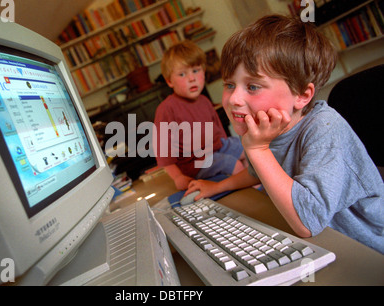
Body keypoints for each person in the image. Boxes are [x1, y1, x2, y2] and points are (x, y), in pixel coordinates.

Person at [185, 15, 384, 253]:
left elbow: (308, 223)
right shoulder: (269, 125)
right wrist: (217, 187)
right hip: (325, 245)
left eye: (253, 86)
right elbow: (257, 173)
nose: (234, 99)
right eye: (229, 84)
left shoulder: (324, 129)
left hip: (365, 252)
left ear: (301, 95)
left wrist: (257, 149)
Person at [154, 40, 246, 190]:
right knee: (233, 164)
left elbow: (220, 132)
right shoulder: (166, 109)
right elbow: (163, 152)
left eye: (196, 71)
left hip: (218, 148)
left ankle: (259, 186)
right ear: (169, 81)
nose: (191, 78)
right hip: (195, 162)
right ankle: (254, 194)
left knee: (249, 148)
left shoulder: (204, 101)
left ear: (204, 71)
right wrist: (178, 177)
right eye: (182, 74)